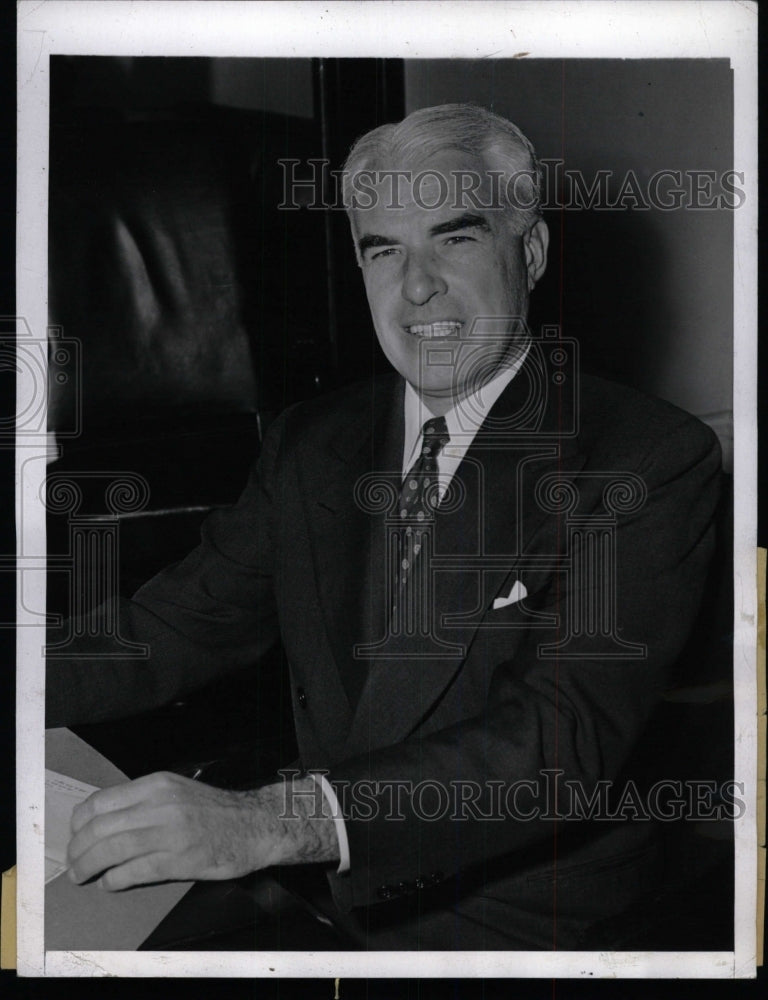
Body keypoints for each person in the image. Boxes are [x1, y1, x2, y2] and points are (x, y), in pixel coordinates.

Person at [47, 104, 722, 950]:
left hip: (523, 924)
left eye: (455, 239)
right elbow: (169, 629)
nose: (416, 286)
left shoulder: (647, 456)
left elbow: (558, 746)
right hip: (325, 894)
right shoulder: (311, 442)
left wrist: (270, 822)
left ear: (533, 252)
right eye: (383, 249)